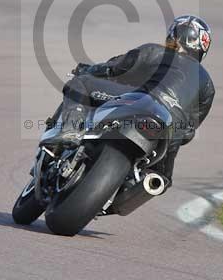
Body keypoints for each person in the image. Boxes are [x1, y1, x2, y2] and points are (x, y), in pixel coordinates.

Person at [69, 15, 215, 185]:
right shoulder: (208, 85)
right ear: (203, 48)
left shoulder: (155, 51)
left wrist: (86, 70)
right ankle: (133, 185)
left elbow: (113, 69)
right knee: (159, 180)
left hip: (139, 105)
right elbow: (189, 131)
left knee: (80, 83)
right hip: (169, 136)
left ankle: (69, 131)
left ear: (172, 36)